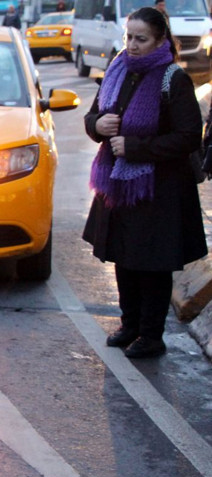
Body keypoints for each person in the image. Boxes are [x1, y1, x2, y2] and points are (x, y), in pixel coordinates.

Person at [82, 7, 207, 359]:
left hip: (159, 189)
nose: (133, 45)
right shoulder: (117, 70)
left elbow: (188, 137)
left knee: (152, 263)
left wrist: (136, 147)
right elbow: (93, 116)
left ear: (160, 40)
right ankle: (130, 324)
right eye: (129, 38)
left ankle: (151, 336)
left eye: (141, 39)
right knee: (124, 257)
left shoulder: (173, 79)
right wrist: (97, 125)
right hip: (118, 186)